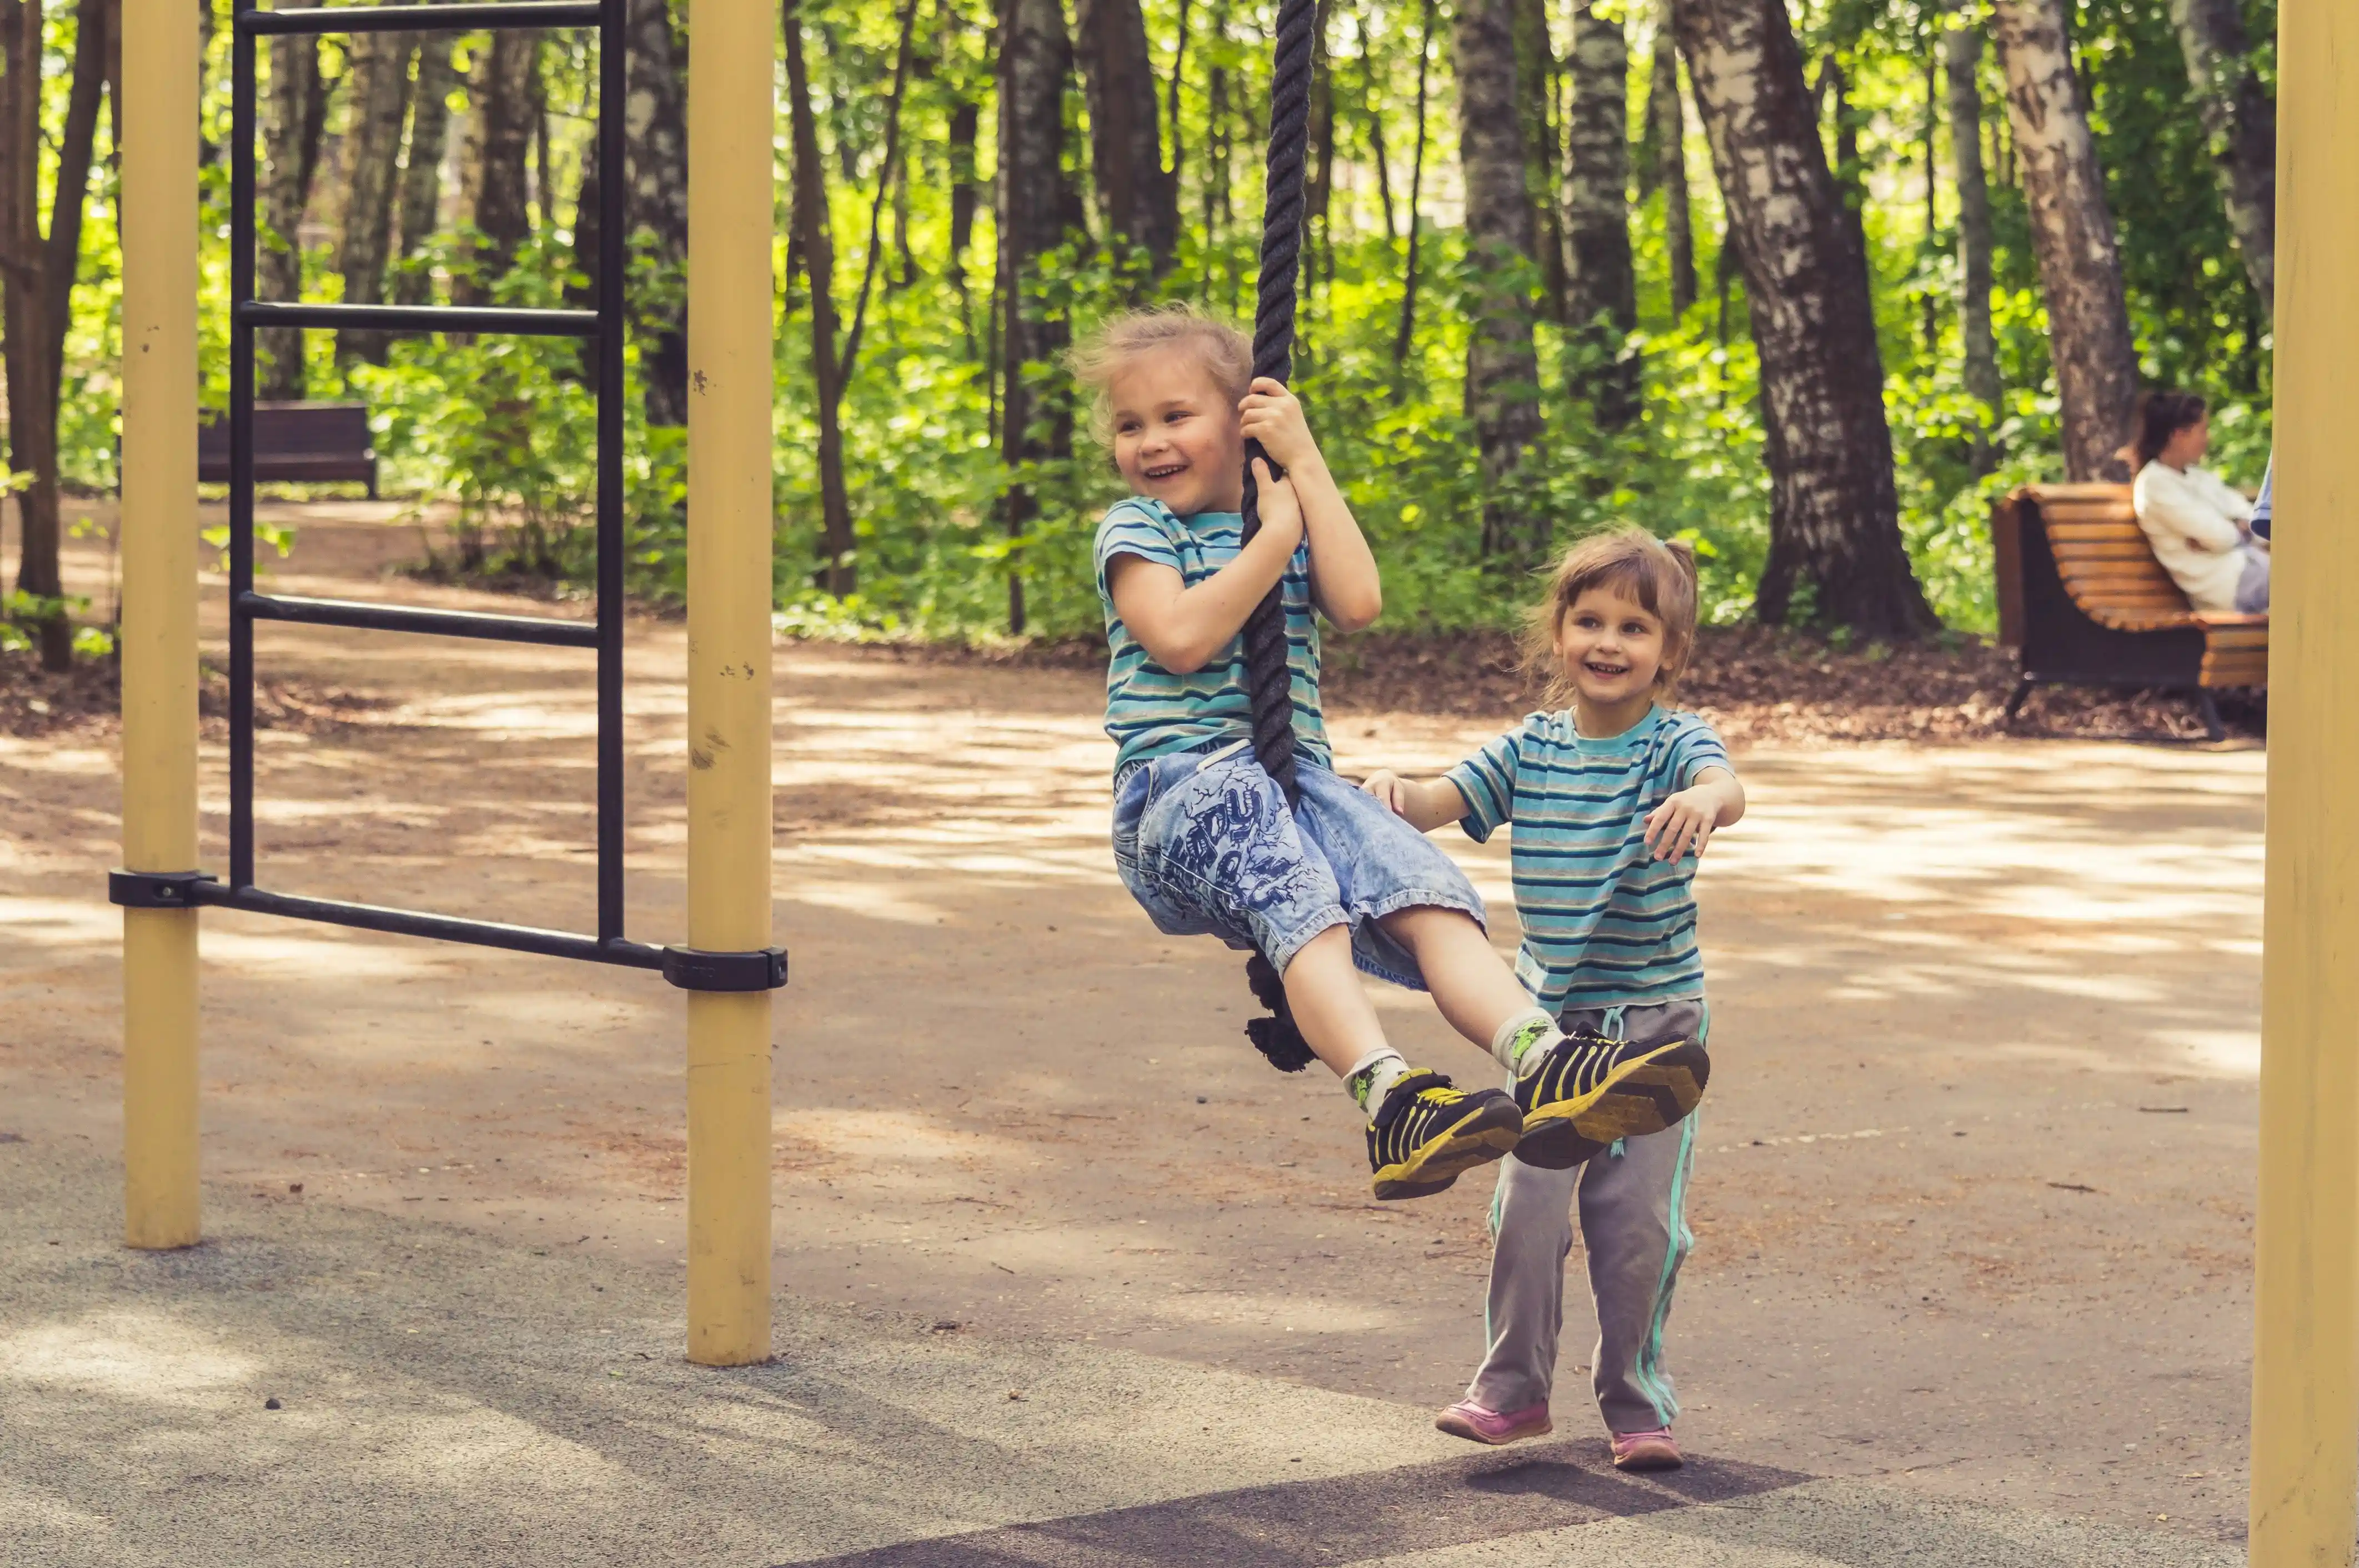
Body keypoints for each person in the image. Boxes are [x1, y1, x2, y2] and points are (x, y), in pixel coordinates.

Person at [1074, 306, 1710, 1203]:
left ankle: (1545, 1058)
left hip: (1289, 782)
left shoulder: (1281, 510)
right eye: (1130, 425)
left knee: (1424, 886)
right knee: (1305, 904)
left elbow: (1360, 599)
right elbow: (1178, 638)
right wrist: (1272, 541)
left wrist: (1303, 466)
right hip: (1180, 789)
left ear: (1245, 419)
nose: (1149, 441)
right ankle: (1388, 1094)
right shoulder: (1139, 528)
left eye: (1175, 416)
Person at [1358, 528, 1743, 1470]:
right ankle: (1511, 1388)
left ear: (1669, 652)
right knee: (1524, 1211)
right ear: (1559, 631)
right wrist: (1384, 792)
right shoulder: (1530, 745)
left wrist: (1706, 800)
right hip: (1546, 1033)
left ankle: (1634, 1399)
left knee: (1636, 1227)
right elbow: (1439, 798)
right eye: (1589, 620)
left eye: (1634, 626)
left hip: (1654, 1031)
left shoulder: (1672, 744)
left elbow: (1723, 783)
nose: (1608, 642)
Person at [2126, 390, 2269, 614]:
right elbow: (2220, 537)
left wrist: (2236, 528)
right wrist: (2235, 528)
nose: (2208, 438)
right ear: (2178, 435)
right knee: (2307, 580)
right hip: (2229, 586)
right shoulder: (2154, 485)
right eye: (2202, 430)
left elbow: (2253, 520)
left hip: (2253, 568)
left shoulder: (2198, 477)